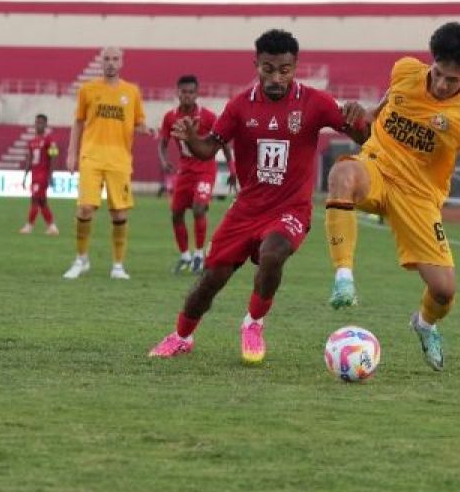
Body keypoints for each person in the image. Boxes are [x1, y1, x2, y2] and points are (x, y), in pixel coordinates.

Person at [148, 30, 365, 364]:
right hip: (246, 210)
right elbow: (208, 150)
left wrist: (354, 115)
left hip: (290, 207)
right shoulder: (238, 106)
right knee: (210, 282)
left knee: (273, 253)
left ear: (295, 67)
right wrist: (192, 138)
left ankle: (253, 323)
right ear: (256, 65)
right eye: (267, 69)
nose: (276, 77)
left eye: (284, 70)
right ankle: (181, 337)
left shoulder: (315, 102)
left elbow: (360, 134)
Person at [323, 22, 460, 372]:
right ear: (432, 60)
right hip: (377, 168)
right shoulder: (405, 70)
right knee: (341, 173)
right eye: (439, 73)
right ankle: (343, 279)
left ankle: (425, 324)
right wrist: (369, 114)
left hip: (420, 199)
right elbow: (386, 104)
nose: (441, 84)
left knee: (444, 291)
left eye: (453, 80)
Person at [62, 47, 156, 279]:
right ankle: (81, 259)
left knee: (119, 213)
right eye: (107, 59)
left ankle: (117, 266)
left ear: (121, 62)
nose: (111, 63)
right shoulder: (88, 89)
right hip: (91, 156)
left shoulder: (131, 92)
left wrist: (146, 129)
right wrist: (72, 153)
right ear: (101, 62)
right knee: (85, 207)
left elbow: (138, 122)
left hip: (119, 159)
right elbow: (78, 122)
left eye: (115, 59)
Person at [157, 74, 235, 275]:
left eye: (191, 92)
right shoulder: (170, 117)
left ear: (197, 93)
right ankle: (185, 256)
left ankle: (199, 255)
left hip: (205, 170)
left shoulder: (208, 117)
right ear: (178, 93)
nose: (187, 96)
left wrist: (232, 169)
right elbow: (163, 143)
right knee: (176, 214)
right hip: (185, 171)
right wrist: (164, 161)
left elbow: (224, 142)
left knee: (199, 209)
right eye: (184, 92)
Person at [19, 113, 60, 235]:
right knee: (42, 202)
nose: (38, 125)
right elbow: (30, 159)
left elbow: (53, 157)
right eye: (37, 122)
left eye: (41, 123)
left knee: (35, 200)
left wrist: (50, 175)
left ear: (46, 125)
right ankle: (52, 227)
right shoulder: (32, 141)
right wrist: (25, 176)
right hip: (34, 175)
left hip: (43, 175)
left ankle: (29, 226)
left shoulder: (49, 140)